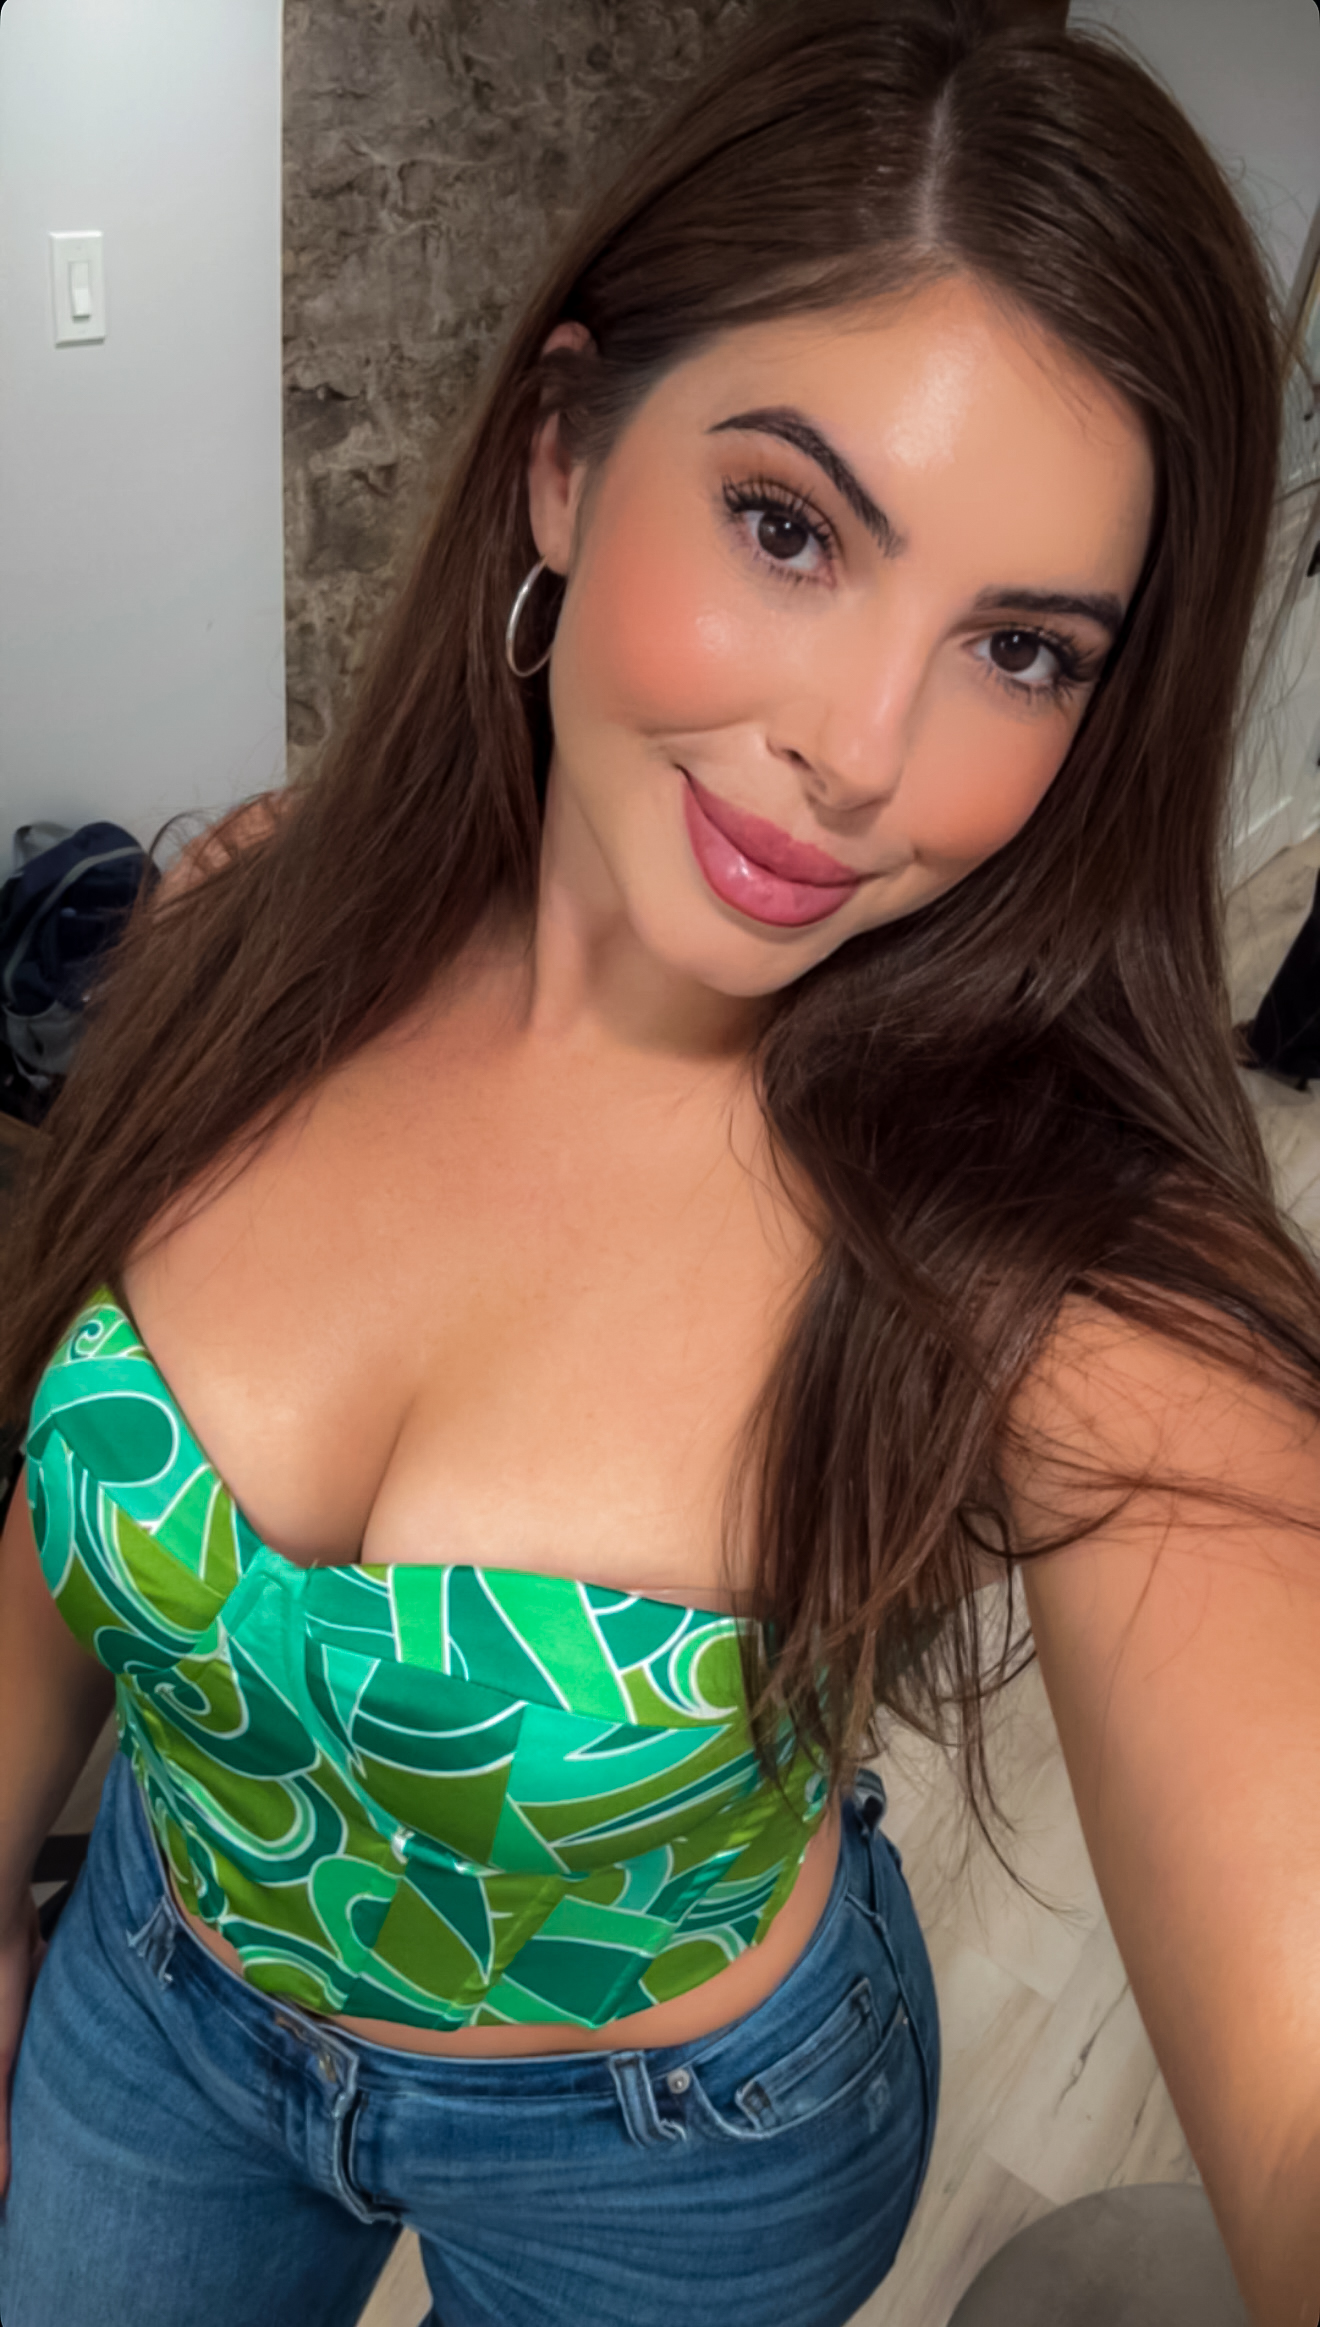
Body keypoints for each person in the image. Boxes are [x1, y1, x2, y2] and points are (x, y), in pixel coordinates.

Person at [1, 2, 1318, 2321]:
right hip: (157, 2008)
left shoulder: (1041, 1247)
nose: (862, 750)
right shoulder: (257, 931)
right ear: (561, 459)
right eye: (789, 528)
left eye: (1022, 648)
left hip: (675, 2161)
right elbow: (60, 1516)